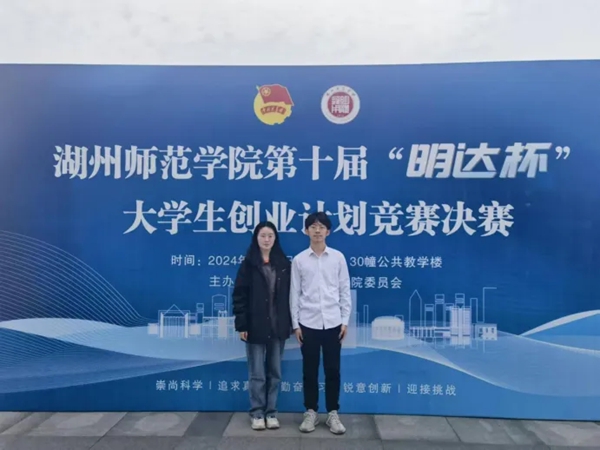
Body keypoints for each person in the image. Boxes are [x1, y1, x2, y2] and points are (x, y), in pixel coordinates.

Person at [290, 211, 351, 435]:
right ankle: (311, 412)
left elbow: (344, 290)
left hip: (333, 322)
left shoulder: (337, 258)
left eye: (321, 227)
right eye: (313, 227)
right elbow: (294, 293)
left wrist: (345, 320)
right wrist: (296, 324)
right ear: (306, 231)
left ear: (328, 231)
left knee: (333, 370)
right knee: (310, 370)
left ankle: (333, 413)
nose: (317, 231)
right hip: (308, 323)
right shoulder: (299, 260)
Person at [232, 221, 292, 431]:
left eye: (270, 236)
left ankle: (271, 412)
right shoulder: (248, 265)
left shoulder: (284, 264)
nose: (266, 239)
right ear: (256, 238)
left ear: (275, 239)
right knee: (257, 373)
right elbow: (239, 296)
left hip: (278, 326)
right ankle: (257, 413)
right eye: (262, 235)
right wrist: (242, 325)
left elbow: (291, 296)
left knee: (275, 372)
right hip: (255, 326)